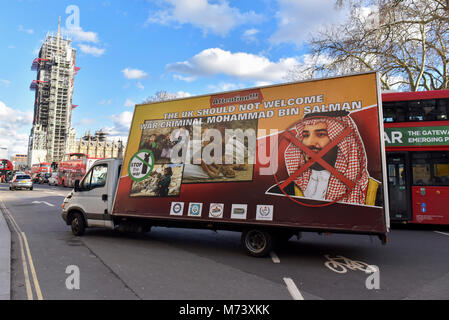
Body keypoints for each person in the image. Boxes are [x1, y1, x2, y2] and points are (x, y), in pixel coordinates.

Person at [284, 111, 372, 205]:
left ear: (344, 143)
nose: (309, 143)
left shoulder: (372, 193)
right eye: (305, 135)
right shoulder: (283, 191)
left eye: (321, 134)